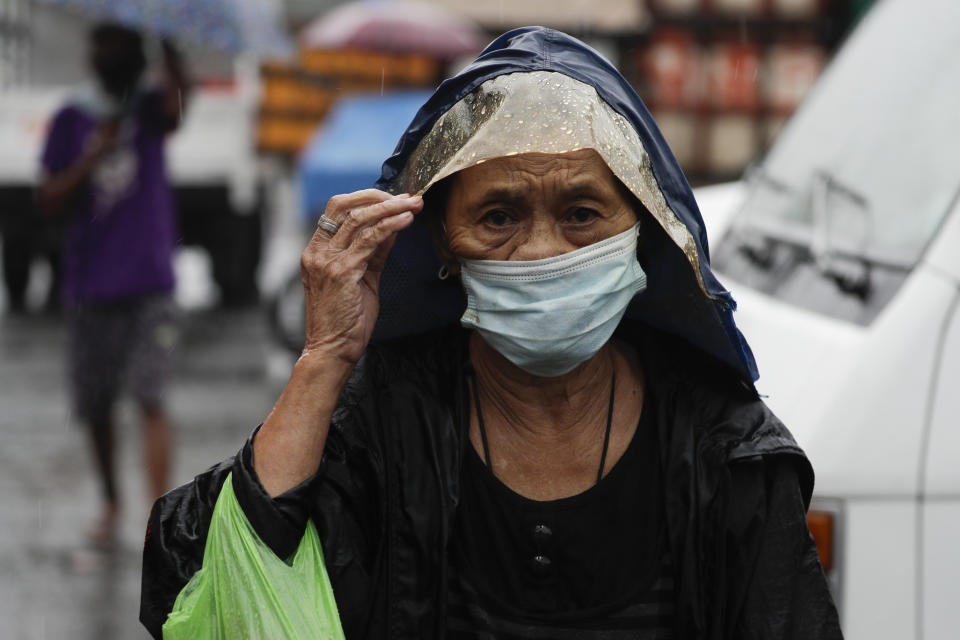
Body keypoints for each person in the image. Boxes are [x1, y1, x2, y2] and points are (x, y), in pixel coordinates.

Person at [141, 27, 842, 639]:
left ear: (644, 235)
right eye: (499, 217)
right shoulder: (386, 420)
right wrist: (326, 357)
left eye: (582, 213)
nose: (541, 250)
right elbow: (205, 588)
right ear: (444, 245)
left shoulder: (724, 453)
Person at [37, 23, 189, 548]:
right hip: (90, 286)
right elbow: (49, 200)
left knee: (151, 395)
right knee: (96, 404)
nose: (109, 54)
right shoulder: (70, 118)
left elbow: (174, 110)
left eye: (121, 43)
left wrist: (169, 46)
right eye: (101, 42)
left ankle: (157, 518)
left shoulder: (146, 109)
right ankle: (110, 501)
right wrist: (90, 158)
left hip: (151, 284)